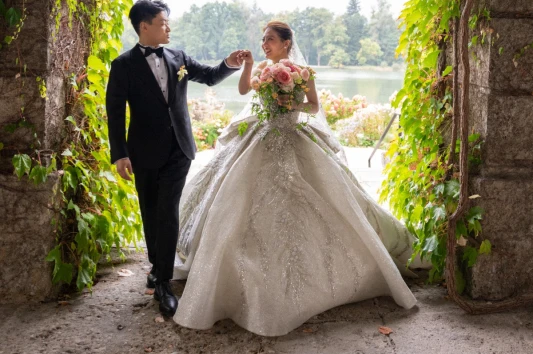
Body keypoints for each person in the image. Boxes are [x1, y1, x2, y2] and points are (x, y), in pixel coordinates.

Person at [172, 21, 419, 336]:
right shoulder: (261, 67)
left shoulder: (304, 72)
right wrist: (248, 65)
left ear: (286, 43)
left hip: (294, 133)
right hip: (261, 136)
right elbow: (244, 90)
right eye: (263, 39)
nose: (265, 44)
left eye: (271, 39)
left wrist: (294, 104)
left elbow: (314, 107)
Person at [105, 0, 245, 317]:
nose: (169, 27)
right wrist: (120, 154)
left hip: (179, 149)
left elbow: (209, 76)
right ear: (145, 26)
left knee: (167, 210)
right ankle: (157, 265)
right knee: (150, 211)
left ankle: (164, 282)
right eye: (163, 22)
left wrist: (228, 63)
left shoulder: (179, 57)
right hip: (143, 151)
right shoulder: (123, 66)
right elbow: (115, 115)